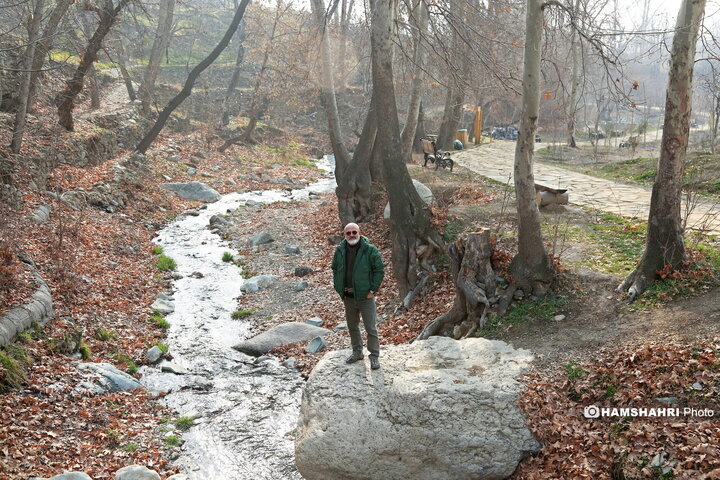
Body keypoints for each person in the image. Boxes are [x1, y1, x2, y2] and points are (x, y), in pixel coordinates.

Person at [331, 223, 384, 369]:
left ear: (359, 233)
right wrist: (338, 287)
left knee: (370, 328)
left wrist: (372, 290)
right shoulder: (340, 250)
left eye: (354, 232)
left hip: (365, 297)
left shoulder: (370, 250)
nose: (352, 235)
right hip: (348, 297)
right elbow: (335, 268)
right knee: (352, 326)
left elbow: (379, 270)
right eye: (348, 233)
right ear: (344, 235)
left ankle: (374, 356)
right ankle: (357, 352)